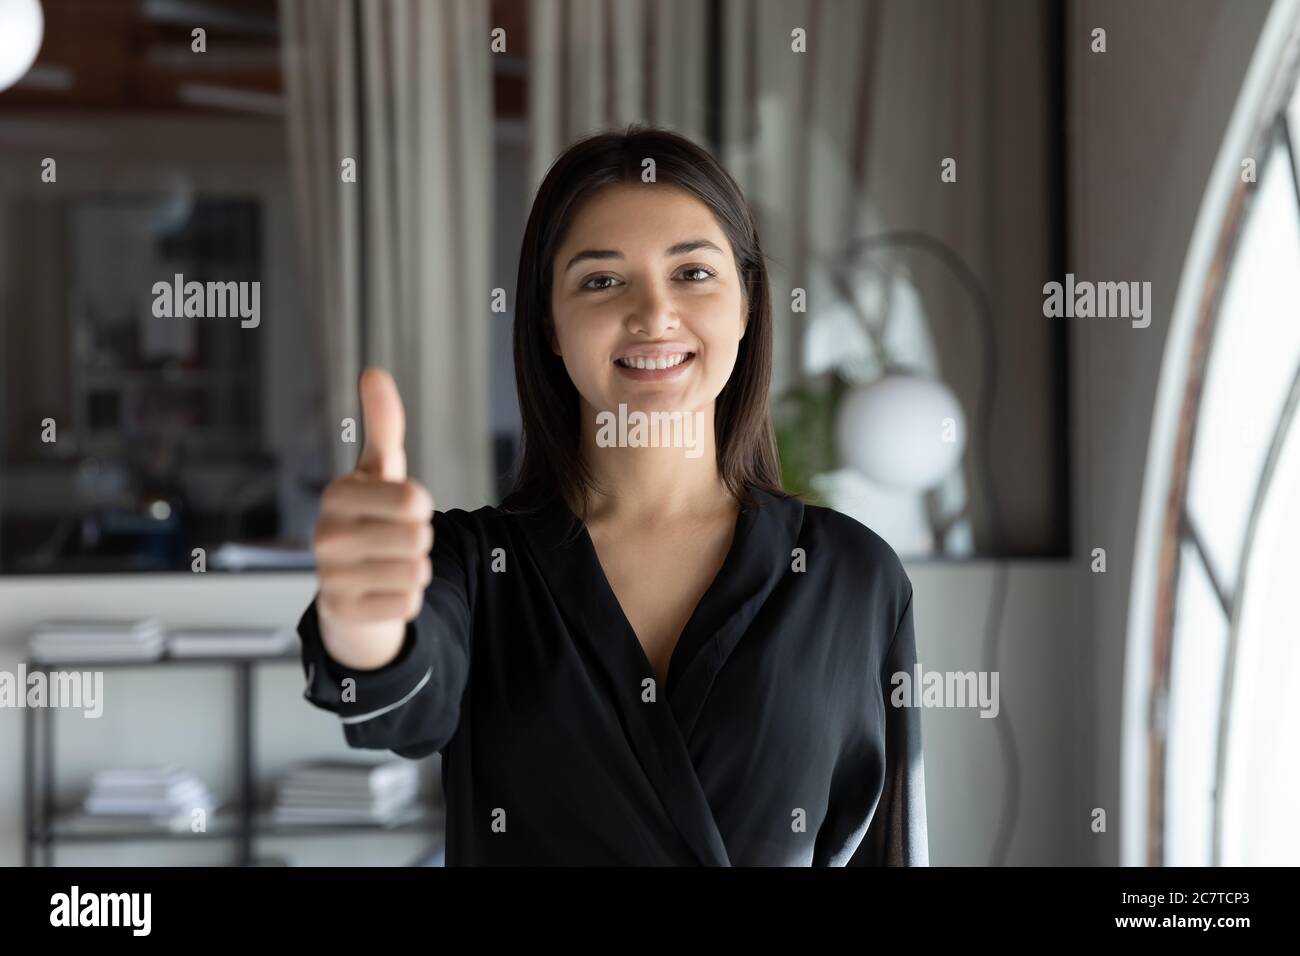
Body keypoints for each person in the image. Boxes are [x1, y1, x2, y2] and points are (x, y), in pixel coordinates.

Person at [297, 124, 927, 866]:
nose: (654, 313)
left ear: (749, 303)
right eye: (601, 280)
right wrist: (364, 625)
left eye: (692, 273)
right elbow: (392, 708)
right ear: (550, 328)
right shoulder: (472, 567)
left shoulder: (851, 573)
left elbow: (890, 846)